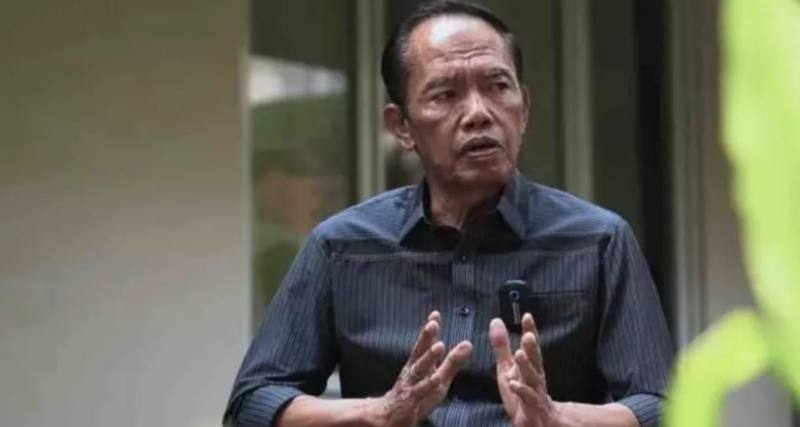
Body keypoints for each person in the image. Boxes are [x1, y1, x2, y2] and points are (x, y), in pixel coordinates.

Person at [224, 2, 674, 426]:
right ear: (401, 127)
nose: (479, 113)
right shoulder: (342, 247)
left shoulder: (597, 241)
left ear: (524, 109)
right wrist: (376, 412)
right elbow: (253, 403)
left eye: (498, 87)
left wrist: (562, 418)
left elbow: (662, 406)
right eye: (445, 94)